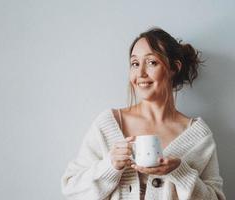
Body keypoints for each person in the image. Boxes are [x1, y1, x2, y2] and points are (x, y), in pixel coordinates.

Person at [61, 27, 226, 200]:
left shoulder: (198, 136)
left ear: (174, 68)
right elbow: (71, 189)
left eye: (151, 62)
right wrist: (110, 166)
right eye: (135, 64)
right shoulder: (109, 124)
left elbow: (215, 197)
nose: (140, 73)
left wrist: (180, 171)